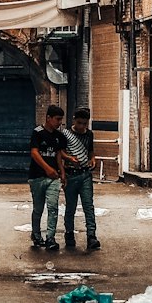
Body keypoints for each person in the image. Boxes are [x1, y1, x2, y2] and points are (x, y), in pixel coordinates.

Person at [60, 106, 100, 251]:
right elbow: (61, 153)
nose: (82, 126)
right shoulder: (65, 134)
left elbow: (91, 152)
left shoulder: (89, 134)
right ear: (74, 121)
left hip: (85, 174)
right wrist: (69, 159)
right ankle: (69, 233)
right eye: (80, 123)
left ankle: (91, 236)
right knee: (70, 207)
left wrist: (93, 160)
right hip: (71, 174)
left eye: (85, 123)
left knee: (88, 206)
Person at [28, 104, 66, 250]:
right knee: (38, 208)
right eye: (57, 119)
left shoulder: (58, 136)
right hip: (37, 176)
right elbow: (34, 153)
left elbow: (58, 155)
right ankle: (36, 235)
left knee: (53, 207)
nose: (59, 122)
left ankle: (50, 237)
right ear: (48, 118)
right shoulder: (37, 133)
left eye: (61, 119)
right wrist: (47, 168)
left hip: (53, 178)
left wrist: (61, 172)